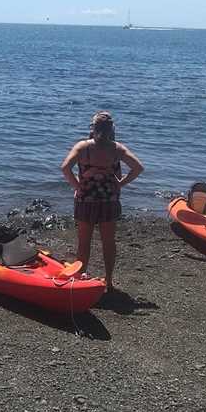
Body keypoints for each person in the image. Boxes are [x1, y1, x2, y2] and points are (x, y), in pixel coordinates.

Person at [60, 111, 144, 290]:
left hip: (86, 200)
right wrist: (120, 184)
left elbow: (65, 167)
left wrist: (78, 187)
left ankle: (80, 278)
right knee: (108, 242)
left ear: (93, 128)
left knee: (84, 243)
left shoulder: (83, 147)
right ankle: (109, 280)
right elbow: (137, 168)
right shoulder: (117, 149)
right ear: (112, 129)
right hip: (109, 200)